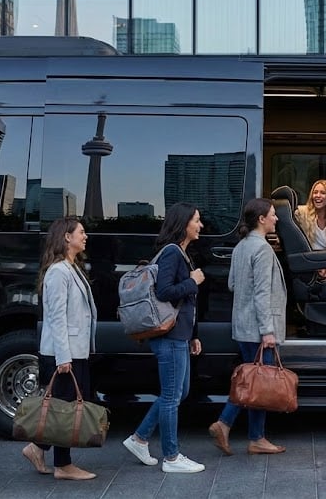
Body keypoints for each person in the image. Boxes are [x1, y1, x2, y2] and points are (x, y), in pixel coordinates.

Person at [123, 202, 206, 474]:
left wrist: (193, 335)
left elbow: (186, 303)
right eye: (196, 220)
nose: (200, 225)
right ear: (184, 224)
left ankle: (139, 439)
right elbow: (164, 292)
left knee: (178, 393)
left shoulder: (181, 254)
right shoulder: (172, 253)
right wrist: (193, 281)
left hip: (179, 335)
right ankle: (171, 457)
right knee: (171, 396)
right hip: (169, 336)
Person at [207, 198, 288, 456]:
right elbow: (263, 293)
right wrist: (268, 330)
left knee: (252, 382)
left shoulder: (242, 246)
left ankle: (253, 436)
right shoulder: (262, 250)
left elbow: (232, 283)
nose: (276, 219)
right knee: (256, 385)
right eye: (273, 215)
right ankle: (227, 424)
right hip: (258, 327)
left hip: (243, 324)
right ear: (261, 219)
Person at [21, 216, 98, 480]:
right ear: (67, 237)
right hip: (63, 353)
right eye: (81, 232)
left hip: (75, 349)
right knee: (65, 409)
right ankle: (62, 465)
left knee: (65, 407)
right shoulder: (58, 272)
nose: (85, 236)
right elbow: (56, 317)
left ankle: (38, 447)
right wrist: (63, 357)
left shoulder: (72, 267)